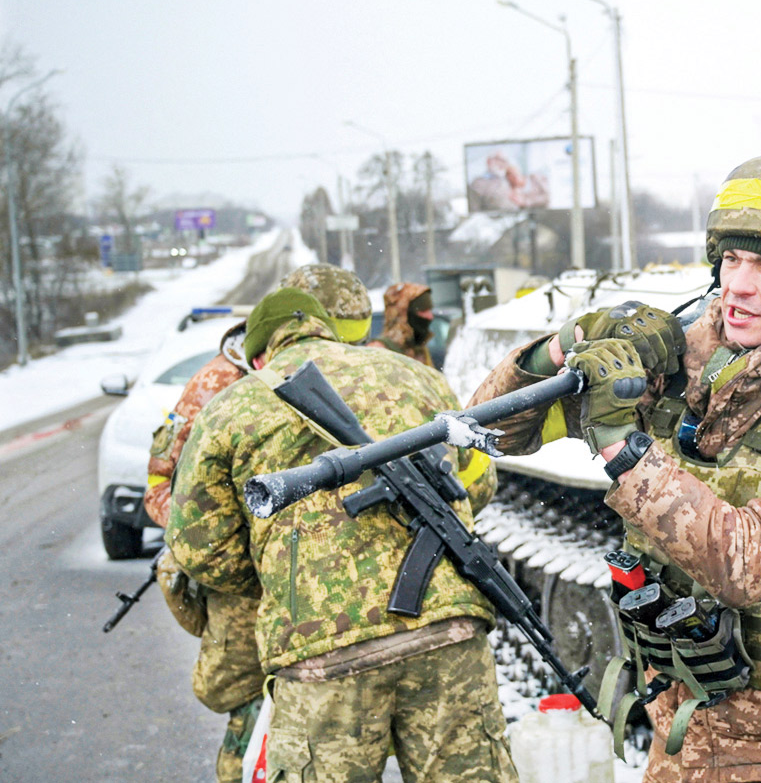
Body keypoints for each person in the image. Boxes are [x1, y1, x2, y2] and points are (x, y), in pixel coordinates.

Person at [469, 153, 761, 782]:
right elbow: (490, 428)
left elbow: (749, 562)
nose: (738, 285)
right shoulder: (678, 365)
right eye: (732, 260)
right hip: (679, 745)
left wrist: (622, 445)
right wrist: (566, 343)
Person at [166, 287, 508, 782]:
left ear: (260, 351)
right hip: (447, 630)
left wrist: (285, 579)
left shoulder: (229, 408)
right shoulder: (417, 375)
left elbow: (201, 547)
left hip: (319, 655)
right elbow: (476, 484)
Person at [144, 264, 374, 783]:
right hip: (249, 586)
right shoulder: (218, 384)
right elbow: (162, 489)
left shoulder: (358, 368)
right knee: (250, 713)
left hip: (334, 579)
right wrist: (246, 551)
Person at [367, 281, 436, 367]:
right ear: (404, 315)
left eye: (429, 310)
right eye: (423, 311)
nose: (430, 316)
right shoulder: (378, 351)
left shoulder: (419, 350)